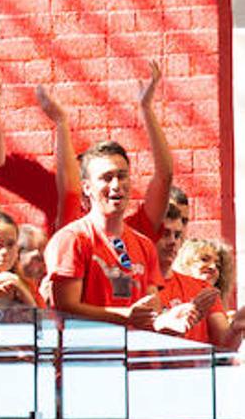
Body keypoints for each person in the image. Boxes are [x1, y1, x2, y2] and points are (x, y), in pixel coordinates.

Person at [41, 64, 171, 328]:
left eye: (122, 176)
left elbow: (150, 306)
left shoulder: (144, 244)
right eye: (106, 177)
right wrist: (124, 317)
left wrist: (171, 316)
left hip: (135, 362)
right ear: (87, 187)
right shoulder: (73, 238)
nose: (116, 185)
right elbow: (65, 306)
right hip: (90, 363)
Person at [157, 239, 245, 348]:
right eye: (204, 260)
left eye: (218, 265)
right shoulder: (154, 283)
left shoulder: (208, 292)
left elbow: (225, 344)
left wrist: (236, 328)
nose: (213, 267)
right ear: (185, 261)